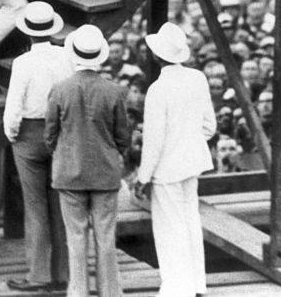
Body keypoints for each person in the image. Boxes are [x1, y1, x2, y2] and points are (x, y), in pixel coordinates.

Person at [45, 25, 130, 297]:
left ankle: (78, 291)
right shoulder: (114, 91)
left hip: (69, 171)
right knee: (106, 236)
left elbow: (50, 134)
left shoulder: (59, 90)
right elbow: (123, 136)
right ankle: (110, 292)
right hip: (105, 171)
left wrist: (60, 152)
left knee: (76, 237)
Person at [133, 23, 216, 297]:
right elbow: (209, 127)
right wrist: (189, 141)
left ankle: (176, 289)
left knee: (171, 228)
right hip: (192, 161)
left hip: (167, 166)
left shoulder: (159, 88)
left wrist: (143, 177)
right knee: (190, 221)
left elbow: (154, 140)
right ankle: (195, 285)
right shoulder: (198, 78)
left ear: (157, 56)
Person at [3, 3, 72, 293]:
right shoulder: (65, 57)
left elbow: (14, 106)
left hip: (30, 132)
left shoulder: (24, 63)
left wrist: (12, 133)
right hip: (61, 130)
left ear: (28, 33)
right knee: (60, 204)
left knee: (35, 207)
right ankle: (62, 274)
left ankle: (39, 274)